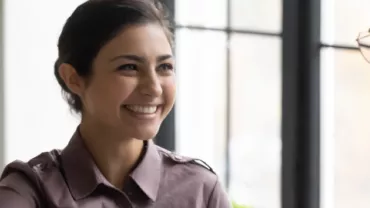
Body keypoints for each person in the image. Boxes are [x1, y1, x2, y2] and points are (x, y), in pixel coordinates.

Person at [0, 0, 231, 207]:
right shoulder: (29, 191)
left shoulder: (201, 190)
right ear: (74, 79)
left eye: (164, 67)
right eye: (129, 67)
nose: (154, 88)